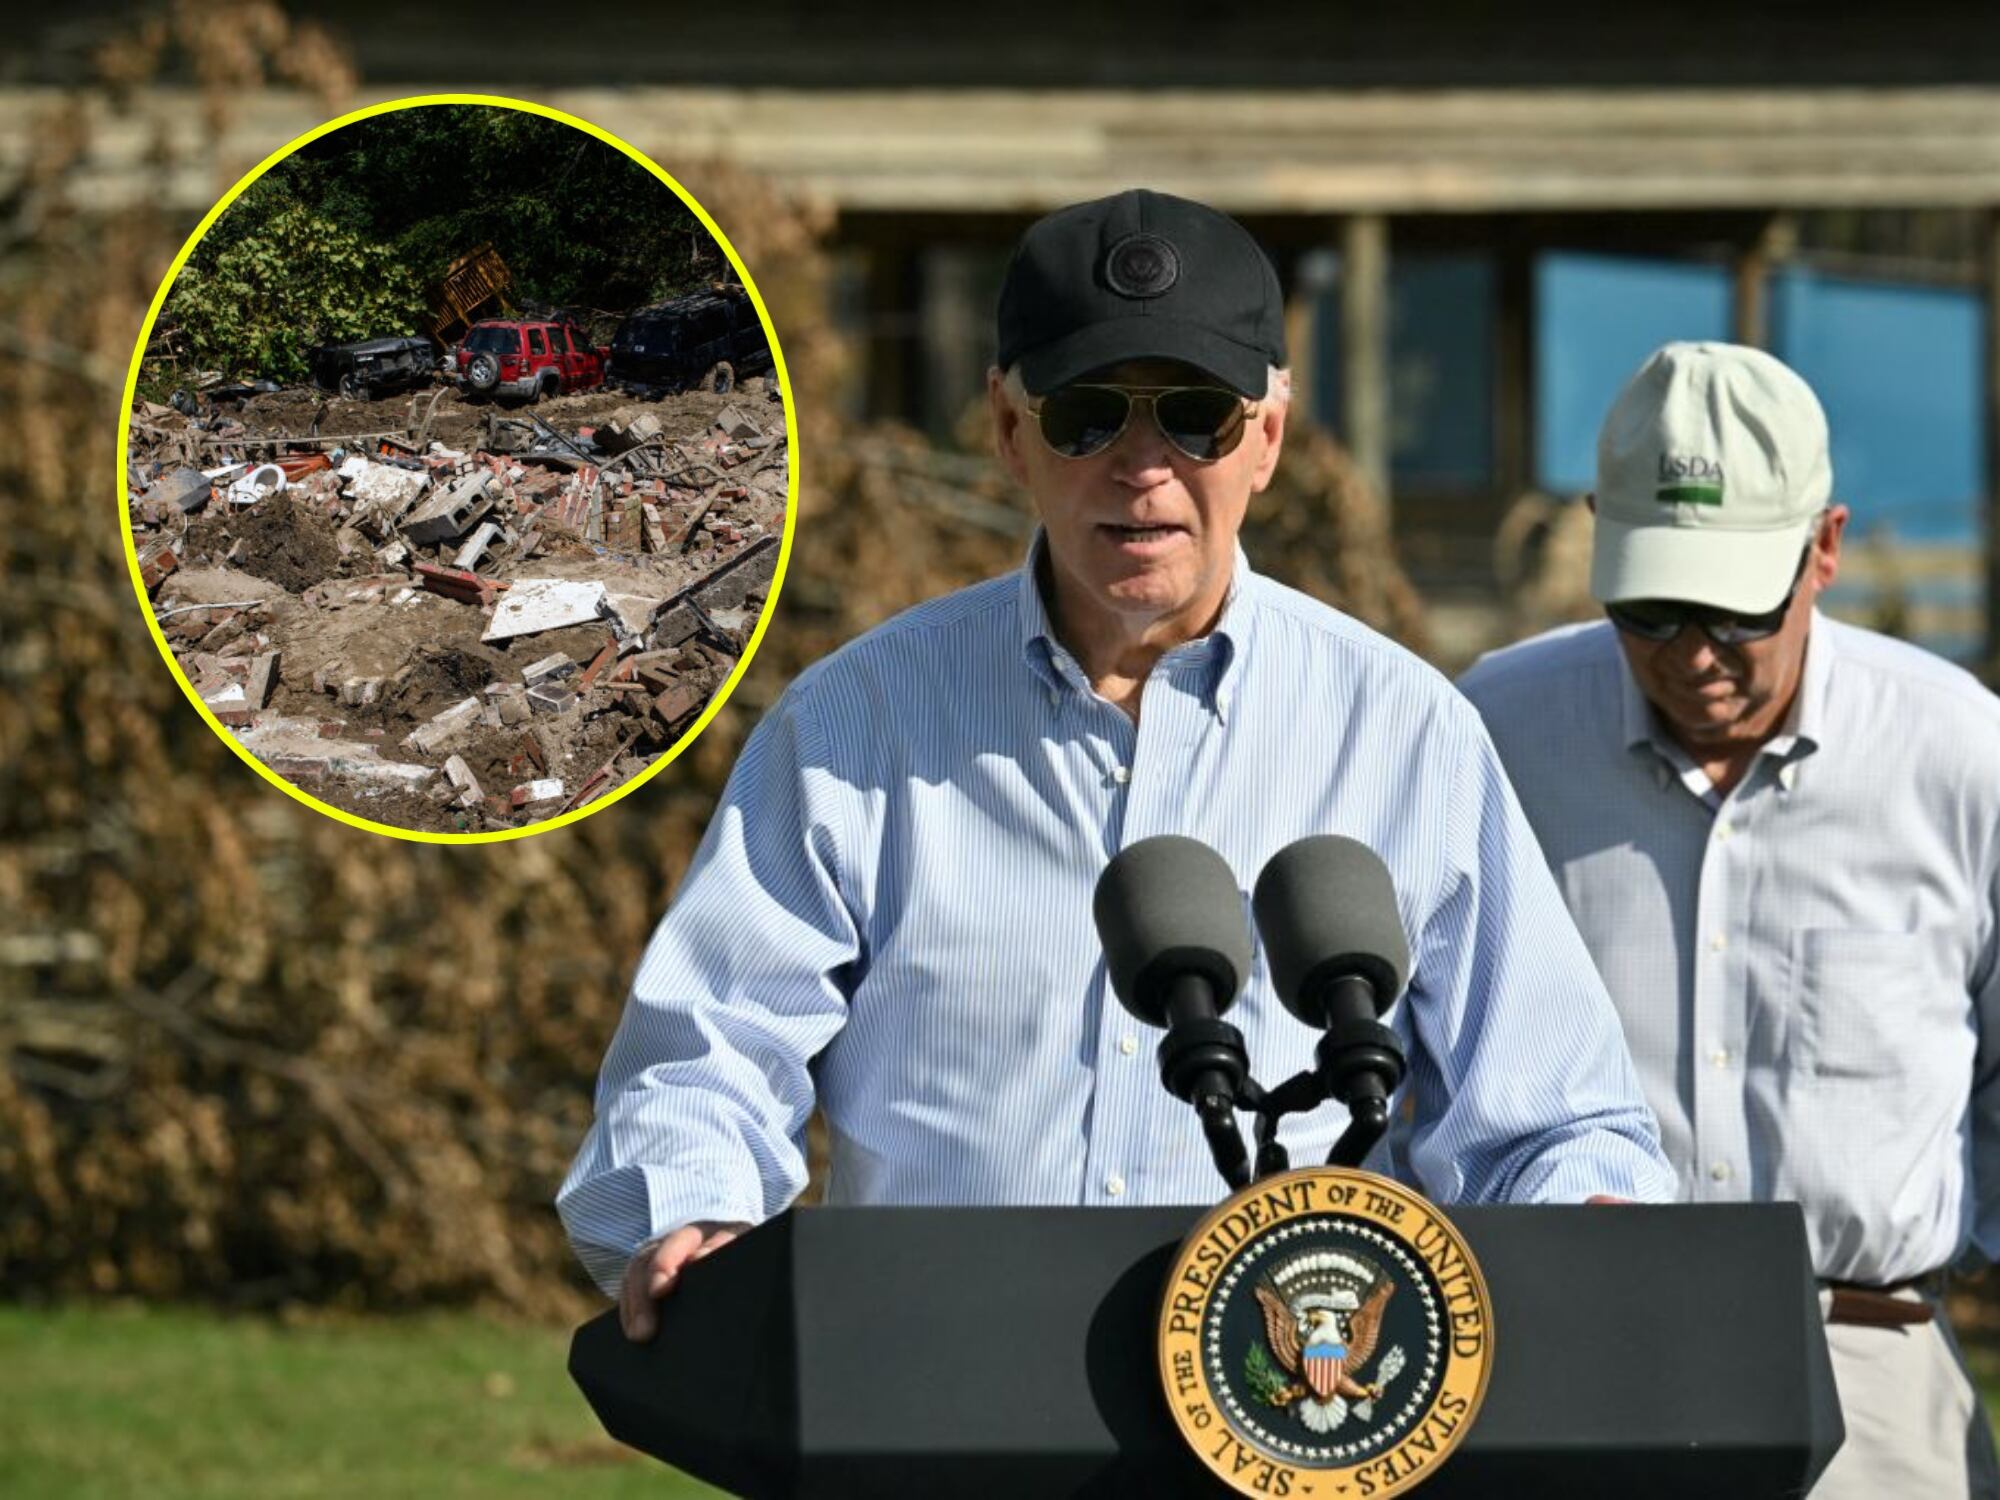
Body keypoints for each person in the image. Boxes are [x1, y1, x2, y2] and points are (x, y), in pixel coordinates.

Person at [558, 189, 1674, 1343]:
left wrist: (1584, 1214)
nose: (1142, 467)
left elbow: (1549, 1119)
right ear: (1006, 431)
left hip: (1293, 1410)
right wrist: (693, 1210)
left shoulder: (1405, 731)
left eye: (1196, 417)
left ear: (1269, 439)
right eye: (1087, 415)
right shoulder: (856, 724)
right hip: (930, 1398)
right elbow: (708, 1048)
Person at [1459, 341, 2000, 1499]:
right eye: (1648, 608)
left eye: (1734, 610)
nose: (1691, 654)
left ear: (1824, 548)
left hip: (1867, 1375)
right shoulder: (1491, 733)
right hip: (1556, 1361)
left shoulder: (1959, 755)